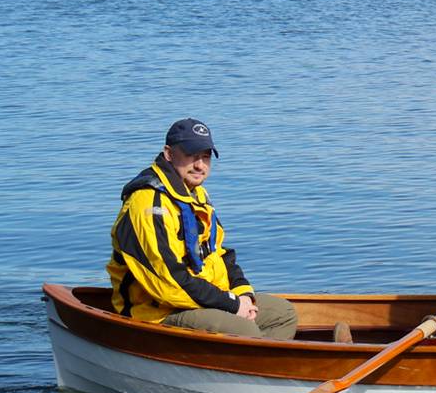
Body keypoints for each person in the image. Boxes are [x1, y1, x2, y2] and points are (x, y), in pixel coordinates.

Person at [106, 118, 298, 340]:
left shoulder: (195, 194)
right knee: (243, 329)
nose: (200, 165)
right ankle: (253, 370)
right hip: (157, 310)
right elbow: (167, 281)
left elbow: (217, 252)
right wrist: (231, 304)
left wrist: (242, 292)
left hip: (200, 298)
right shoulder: (148, 204)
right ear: (168, 154)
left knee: (283, 314)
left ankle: (260, 371)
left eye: (205, 157)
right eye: (191, 155)